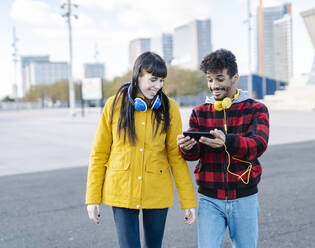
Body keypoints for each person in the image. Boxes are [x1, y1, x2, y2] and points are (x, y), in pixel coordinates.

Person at [86, 51, 197, 248]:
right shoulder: (114, 105)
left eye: (161, 80)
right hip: (121, 189)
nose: (158, 86)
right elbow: (99, 153)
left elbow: (175, 156)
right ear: (138, 75)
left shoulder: (170, 108)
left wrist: (188, 201)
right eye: (153, 79)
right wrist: (92, 199)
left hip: (157, 190)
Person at [177, 49, 269, 248]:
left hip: (244, 197)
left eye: (219, 79)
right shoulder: (199, 112)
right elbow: (194, 155)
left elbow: (258, 145)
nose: (214, 86)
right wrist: (187, 148)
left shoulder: (256, 109)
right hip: (209, 198)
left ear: (235, 78)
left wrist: (228, 141)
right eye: (210, 80)